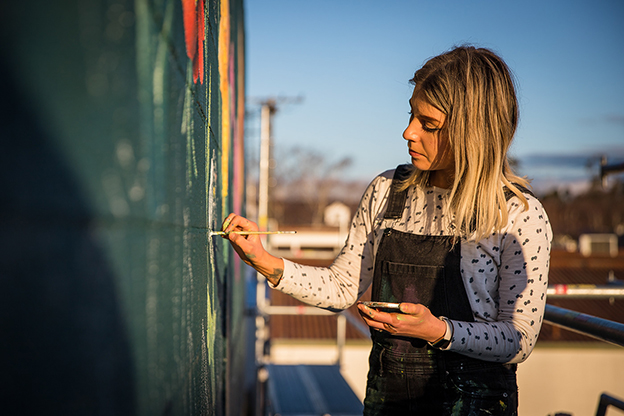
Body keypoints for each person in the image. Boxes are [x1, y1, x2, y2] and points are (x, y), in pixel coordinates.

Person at [222, 45, 552, 415]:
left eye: (429, 125)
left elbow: (518, 338)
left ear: (474, 131)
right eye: (412, 114)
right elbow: (342, 288)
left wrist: (440, 331)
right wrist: (266, 262)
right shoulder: (385, 191)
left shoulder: (519, 215)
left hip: (475, 404)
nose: (408, 132)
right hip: (388, 401)